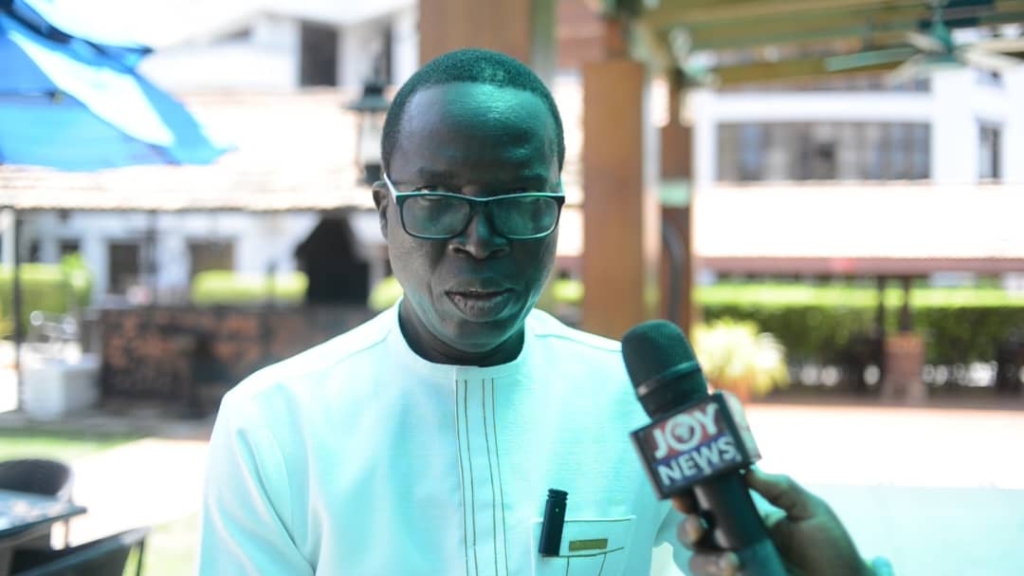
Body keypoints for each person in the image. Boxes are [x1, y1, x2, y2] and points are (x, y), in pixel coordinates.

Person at [196, 48, 883, 575]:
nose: (479, 241)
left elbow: (753, 553)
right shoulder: (275, 424)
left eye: (521, 203)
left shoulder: (636, 401)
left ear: (557, 211)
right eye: (437, 201)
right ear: (385, 212)